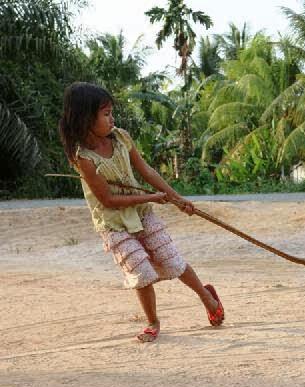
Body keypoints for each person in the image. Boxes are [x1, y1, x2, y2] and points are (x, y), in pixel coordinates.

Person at [58, 82, 224, 342]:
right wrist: (152, 197)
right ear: (85, 118)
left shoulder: (121, 138)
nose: (112, 119)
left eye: (111, 112)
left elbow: (147, 171)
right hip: (113, 223)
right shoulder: (84, 158)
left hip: (142, 214)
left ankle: (208, 299)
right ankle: (153, 322)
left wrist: (178, 199)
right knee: (141, 271)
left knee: (172, 260)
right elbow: (108, 200)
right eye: (105, 114)